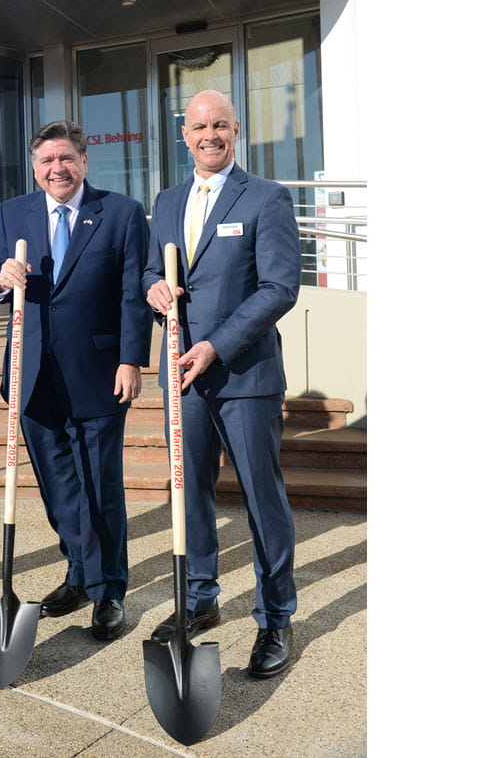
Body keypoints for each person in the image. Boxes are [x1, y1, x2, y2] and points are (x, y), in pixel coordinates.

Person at [142, 89, 302, 678]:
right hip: (182, 375)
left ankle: (276, 616)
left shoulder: (266, 197)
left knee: (262, 499)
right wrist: (152, 287)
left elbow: (280, 287)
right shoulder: (166, 200)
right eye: (199, 127)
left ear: (237, 131)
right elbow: (151, 269)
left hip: (243, 375)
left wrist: (217, 345)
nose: (210, 135)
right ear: (184, 135)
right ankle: (200, 599)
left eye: (220, 126)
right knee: (192, 493)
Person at [0, 119, 151, 641]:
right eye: (46, 162)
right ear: (35, 169)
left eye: (66, 159)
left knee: (100, 489)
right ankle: (79, 573)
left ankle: (108, 591)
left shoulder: (119, 213)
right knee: (59, 491)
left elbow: (131, 293)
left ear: (83, 161)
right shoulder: (13, 214)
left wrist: (131, 360)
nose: (57, 169)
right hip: (32, 379)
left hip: (99, 375)